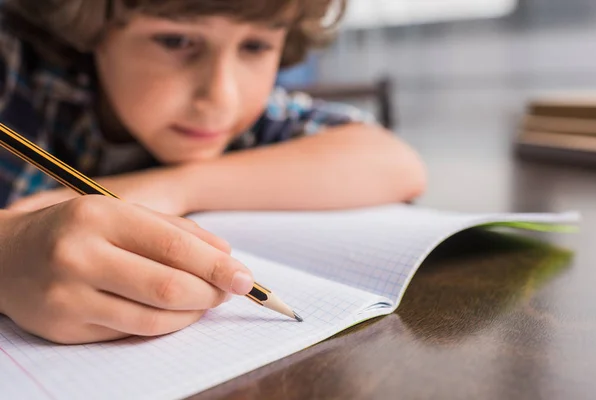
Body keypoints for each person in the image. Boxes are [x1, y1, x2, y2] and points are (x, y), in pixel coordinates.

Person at [0, 0, 427, 344]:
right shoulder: (11, 66)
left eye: (255, 47)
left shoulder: (252, 119)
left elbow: (395, 162)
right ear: (92, 19)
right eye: (176, 40)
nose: (221, 97)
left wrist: (170, 188)